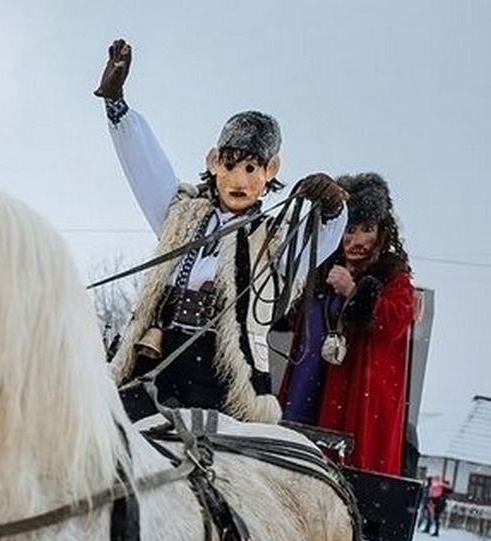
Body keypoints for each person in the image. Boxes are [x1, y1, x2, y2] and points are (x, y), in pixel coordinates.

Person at [94, 40, 348, 424]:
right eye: (231, 165)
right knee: (112, 428)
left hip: (220, 371)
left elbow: (318, 241)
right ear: (214, 162)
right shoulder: (181, 216)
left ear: (270, 171)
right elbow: (147, 167)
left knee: (204, 447)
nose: (239, 180)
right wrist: (116, 103)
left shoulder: (272, 238)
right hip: (156, 351)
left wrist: (332, 208)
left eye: (252, 169)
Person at [278, 173, 416, 475]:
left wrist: (354, 292)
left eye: (367, 229)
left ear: (381, 232)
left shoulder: (393, 278)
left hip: (354, 402)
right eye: (349, 229)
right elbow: (287, 318)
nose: (357, 240)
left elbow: (393, 323)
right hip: (307, 390)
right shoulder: (318, 271)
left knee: (341, 475)